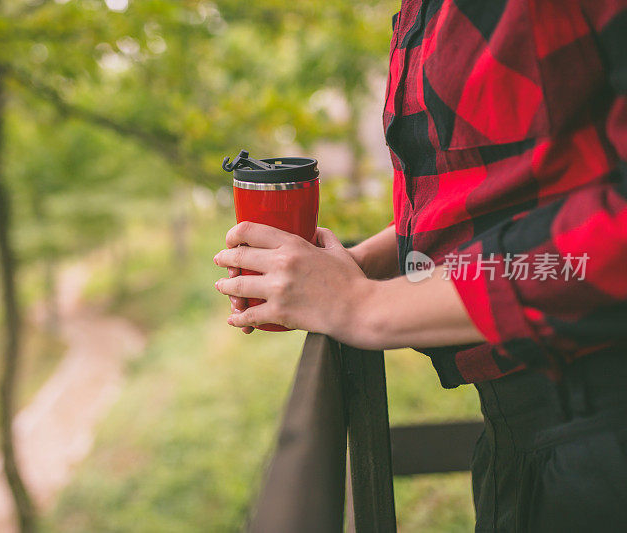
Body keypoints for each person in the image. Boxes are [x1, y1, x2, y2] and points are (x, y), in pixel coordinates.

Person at [213, 0, 627, 531]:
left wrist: (363, 305)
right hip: (521, 435)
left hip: (601, 423)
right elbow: (512, 192)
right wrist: (361, 265)